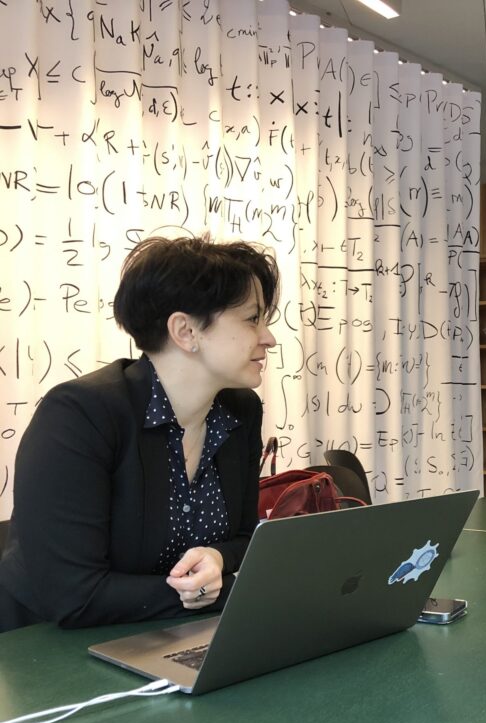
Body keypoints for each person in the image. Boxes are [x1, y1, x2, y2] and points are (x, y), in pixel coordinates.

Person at [0, 235, 278, 631]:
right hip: (44, 652)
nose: (268, 337)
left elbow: (244, 538)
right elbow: (74, 596)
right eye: (253, 319)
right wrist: (211, 593)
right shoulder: (80, 416)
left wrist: (218, 560)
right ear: (185, 331)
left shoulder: (240, 411)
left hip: (165, 637)